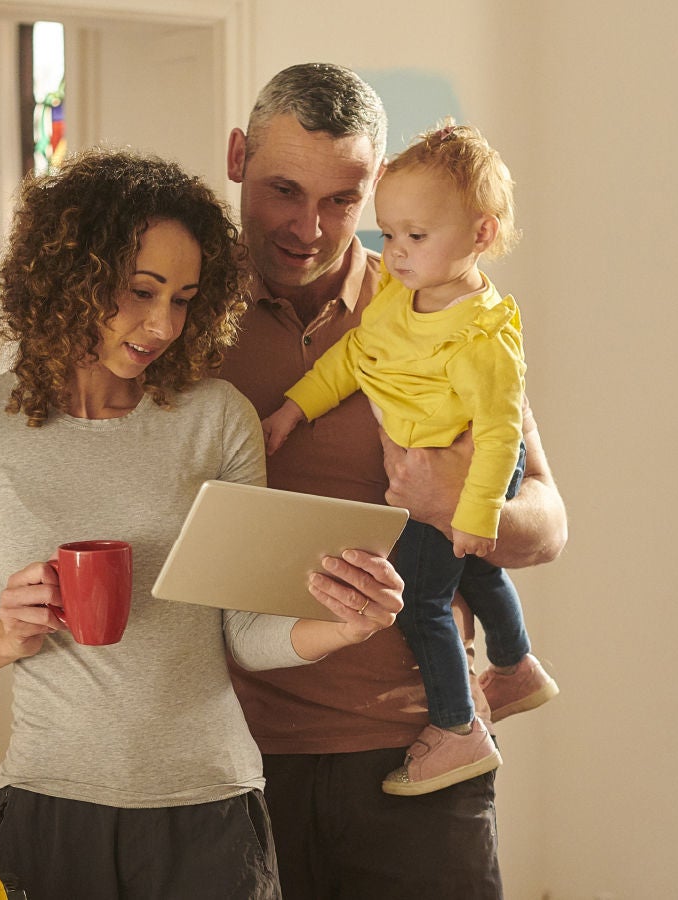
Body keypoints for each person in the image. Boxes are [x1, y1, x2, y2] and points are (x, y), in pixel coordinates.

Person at [0, 148, 405, 900]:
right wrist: (5, 635)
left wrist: (345, 625)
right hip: (50, 804)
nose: (162, 324)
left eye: (184, 298)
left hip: (211, 806)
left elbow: (240, 632)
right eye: (141, 291)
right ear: (69, 278)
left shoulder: (216, 420)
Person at [218, 63, 569, 900]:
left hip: (419, 751)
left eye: (342, 200)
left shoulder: (440, 312)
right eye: (283, 191)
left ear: (375, 188)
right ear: (237, 159)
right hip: (230, 761)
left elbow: (548, 520)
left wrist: (459, 503)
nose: (310, 227)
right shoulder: (180, 317)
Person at [260, 119, 558, 797]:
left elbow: (503, 436)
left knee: (425, 599)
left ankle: (456, 730)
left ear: (479, 235)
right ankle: (515, 666)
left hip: (473, 472)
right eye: (388, 233)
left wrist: (470, 509)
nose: (393, 252)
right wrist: (294, 409)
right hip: (276, 737)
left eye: (415, 237)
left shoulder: (484, 337)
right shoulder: (399, 299)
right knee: (472, 575)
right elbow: (354, 359)